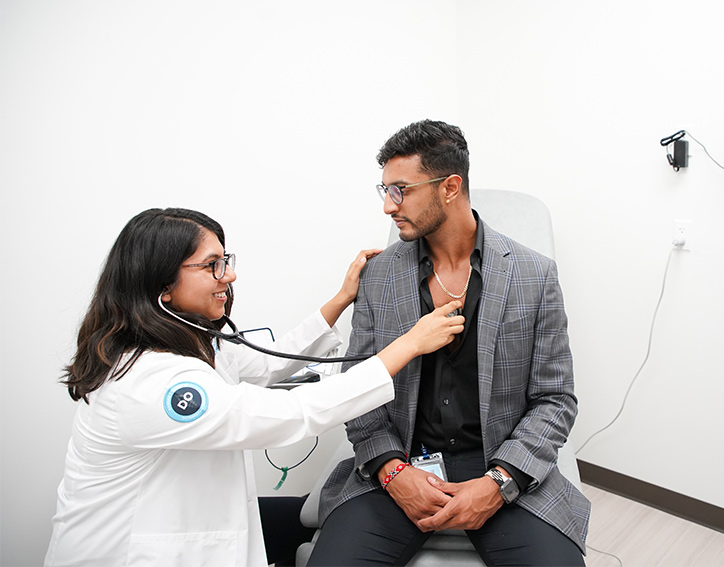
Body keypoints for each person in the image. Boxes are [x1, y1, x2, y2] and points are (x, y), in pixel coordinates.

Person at [44, 207, 463, 567]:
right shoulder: (151, 383)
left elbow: (267, 364)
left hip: (186, 531)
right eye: (212, 266)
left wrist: (340, 299)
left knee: (301, 518)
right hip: (130, 552)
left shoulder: (194, 346)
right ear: (163, 287)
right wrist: (408, 344)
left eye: (224, 260)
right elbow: (290, 414)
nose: (229, 274)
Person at [308, 120, 590, 566]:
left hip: (501, 462)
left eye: (400, 190)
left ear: (450, 187)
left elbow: (555, 399)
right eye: (383, 190)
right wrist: (392, 471)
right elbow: (358, 390)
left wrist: (499, 483)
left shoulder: (534, 275)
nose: (387, 206)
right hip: (401, 462)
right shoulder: (379, 277)